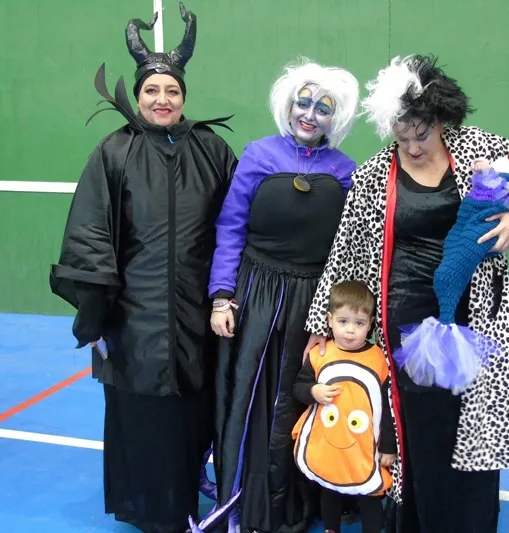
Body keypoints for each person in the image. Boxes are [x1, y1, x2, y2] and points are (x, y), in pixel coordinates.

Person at [304, 54, 509, 533]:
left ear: (441, 120)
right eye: (402, 137)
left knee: (472, 421)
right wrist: (321, 323)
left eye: (422, 134)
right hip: (408, 315)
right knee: (420, 427)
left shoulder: (482, 147)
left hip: (477, 310)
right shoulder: (375, 174)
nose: (413, 147)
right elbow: (347, 249)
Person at [49, 4, 237, 532]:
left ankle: (189, 499)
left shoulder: (212, 150)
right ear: (137, 96)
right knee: (143, 417)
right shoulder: (114, 152)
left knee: (193, 415)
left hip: (198, 315)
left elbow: (236, 224)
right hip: (135, 320)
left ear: (184, 97)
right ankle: (150, 510)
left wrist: (227, 295)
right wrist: (94, 315)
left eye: (172, 90)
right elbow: (90, 234)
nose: (162, 99)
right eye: (152, 90)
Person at [206, 59, 360, 533]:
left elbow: (349, 247)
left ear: (335, 118)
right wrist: (221, 296)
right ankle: (241, 501)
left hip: (312, 302)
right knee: (249, 395)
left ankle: (299, 500)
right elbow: (230, 227)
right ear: (289, 106)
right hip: (255, 296)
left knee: (299, 397)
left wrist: (334, 317)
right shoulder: (258, 155)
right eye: (303, 103)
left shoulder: (347, 172)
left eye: (322, 108)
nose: (310, 114)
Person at [393, 123, 509, 394]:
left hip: (482, 254)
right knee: (450, 258)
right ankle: (444, 322)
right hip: (452, 237)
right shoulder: (380, 169)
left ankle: (446, 325)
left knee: (448, 274)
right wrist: (484, 170)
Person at [292, 280, 397, 533]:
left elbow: (388, 408)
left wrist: (388, 446)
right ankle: (331, 528)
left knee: (371, 491)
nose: (350, 330)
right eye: (343, 321)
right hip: (329, 442)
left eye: (359, 323)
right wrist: (313, 391)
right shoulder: (319, 354)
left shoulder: (379, 359)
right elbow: (298, 387)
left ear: (371, 323)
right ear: (329, 320)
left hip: (365, 446)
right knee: (329, 486)